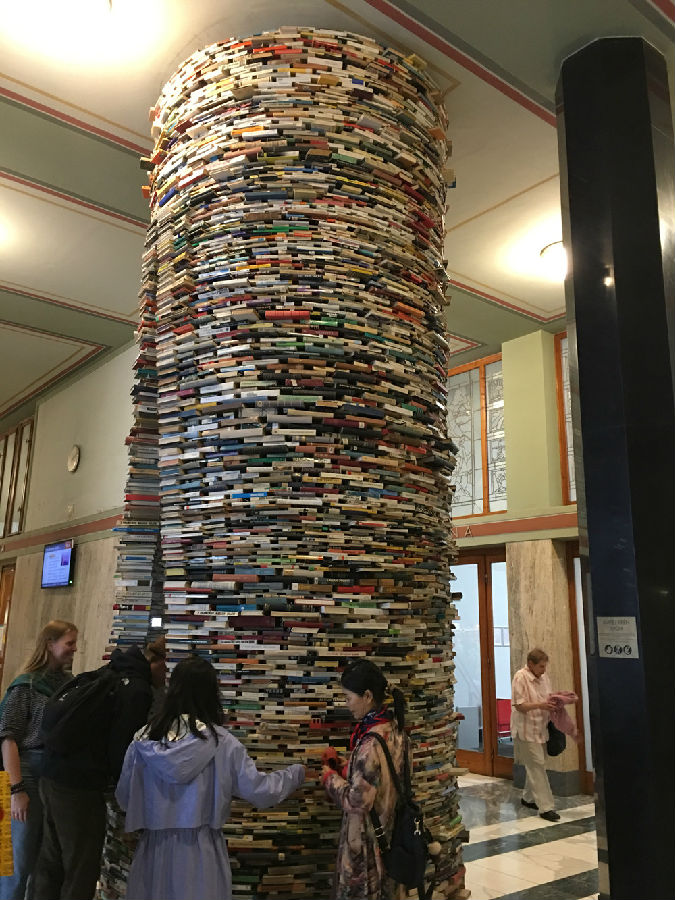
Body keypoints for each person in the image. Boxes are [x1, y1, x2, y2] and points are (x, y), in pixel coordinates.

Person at [115, 656, 305, 900]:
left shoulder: (143, 740)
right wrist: (296, 773)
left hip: (154, 851)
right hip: (201, 854)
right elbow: (260, 791)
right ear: (211, 693)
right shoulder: (222, 743)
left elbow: (125, 798)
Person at [33, 637, 167, 900]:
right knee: (81, 867)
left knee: (51, 861)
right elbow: (122, 748)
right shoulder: (137, 689)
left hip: (51, 773)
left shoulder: (112, 669)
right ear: (160, 662)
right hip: (80, 786)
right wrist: (127, 792)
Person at [0, 619, 78, 900]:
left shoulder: (68, 685)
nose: (74, 649)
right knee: (17, 861)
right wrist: (16, 790)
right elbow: (8, 738)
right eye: (69, 643)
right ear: (50, 644)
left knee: (43, 863)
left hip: (53, 775)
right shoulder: (26, 686)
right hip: (26, 774)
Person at [321, 659, 407, 900]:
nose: (346, 704)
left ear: (367, 696)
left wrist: (329, 777)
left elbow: (357, 801)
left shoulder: (369, 743)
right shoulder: (395, 730)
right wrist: (347, 767)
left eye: (348, 697)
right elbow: (384, 777)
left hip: (368, 845)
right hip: (392, 834)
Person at [511, 647, 560, 822]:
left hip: (541, 728)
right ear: (530, 664)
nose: (544, 670)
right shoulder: (520, 677)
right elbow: (519, 705)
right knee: (537, 765)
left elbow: (548, 697)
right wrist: (540, 705)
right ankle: (546, 807)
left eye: (545, 666)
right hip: (526, 730)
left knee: (536, 764)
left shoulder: (544, 677)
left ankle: (528, 798)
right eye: (541, 666)